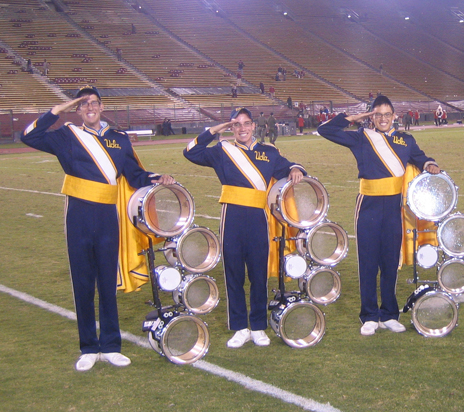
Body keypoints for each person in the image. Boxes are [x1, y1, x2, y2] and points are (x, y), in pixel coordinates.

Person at [21, 85, 175, 371]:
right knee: (83, 283)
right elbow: (29, 135)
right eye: (83, 104)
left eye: (94, 102)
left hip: (108, 215)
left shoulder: (119, 139)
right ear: (78, 110)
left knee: (107, 282)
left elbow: (135, 174)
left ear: (102, 107)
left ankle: (111, 345)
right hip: (78, 215)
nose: (89, 107)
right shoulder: (68, 135)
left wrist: (156, 177)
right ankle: (88, 347)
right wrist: (58, 110)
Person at [317, 95, 440, 336]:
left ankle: (389, 314)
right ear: (372, 116)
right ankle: (369, 315)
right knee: (368, 261)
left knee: (390, 261)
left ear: (394, 116)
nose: (383, 119)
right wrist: (355, 117)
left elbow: (421, 157)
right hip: (368, 204)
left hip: (394, 206)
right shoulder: (361, 137)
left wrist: (430, 165)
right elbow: (326, 130)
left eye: (387, 114)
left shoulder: (406, 140)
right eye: (377, 114)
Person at [184, 107, 305, 348]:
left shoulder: (269, 152)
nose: (242, 128)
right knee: (234, 274)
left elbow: (291, 167)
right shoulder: (223, 151)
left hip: (259, 219)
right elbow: (191, 151)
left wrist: (295, 169)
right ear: (232, 127)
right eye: (236, 124)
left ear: (253, 126)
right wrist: (216, 129)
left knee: (258, 274)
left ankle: (258, 326)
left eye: (246, 123)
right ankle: (239, 327)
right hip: (232, 217)